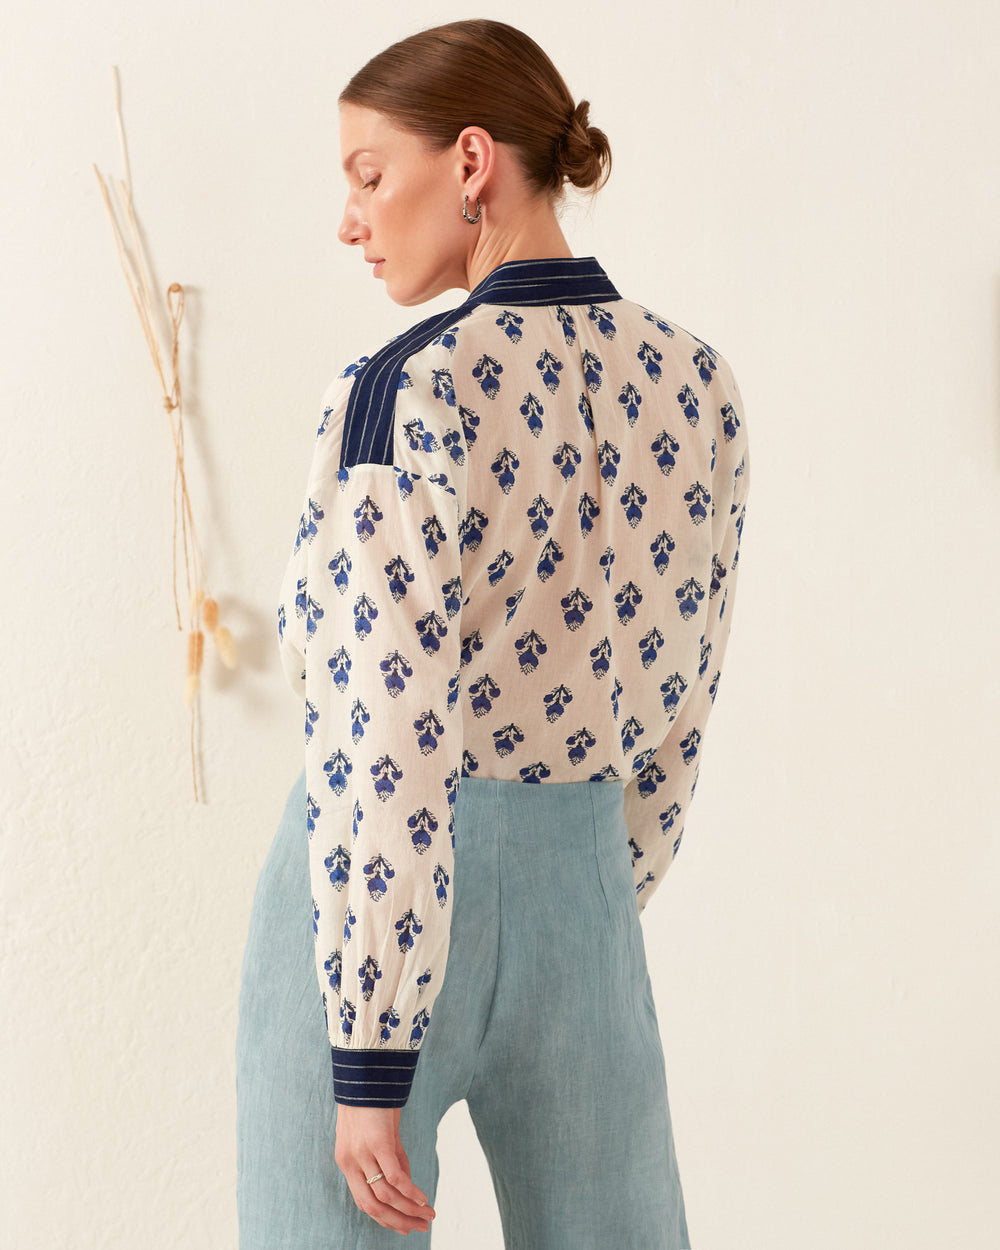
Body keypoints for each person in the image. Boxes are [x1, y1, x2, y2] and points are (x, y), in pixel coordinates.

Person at [237, 18, 749, 1249]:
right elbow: (686, 684)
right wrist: (596, 888)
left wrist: (369, 1044)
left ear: (470, 161)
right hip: (585, 880)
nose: (348, 220)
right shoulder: (697, 381)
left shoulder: (405, 387)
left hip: (381, 895)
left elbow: (382, 719)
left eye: (369, 174)